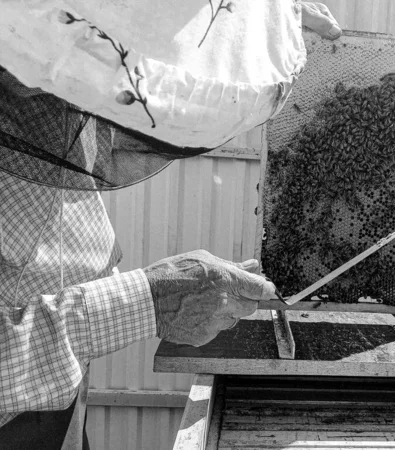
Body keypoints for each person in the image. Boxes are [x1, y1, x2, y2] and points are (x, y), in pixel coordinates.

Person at [0, 3, 341, 448]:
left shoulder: (60, 85)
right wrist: (150, 300)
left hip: (59, 398)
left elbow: (57, 254)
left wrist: (266, 18)